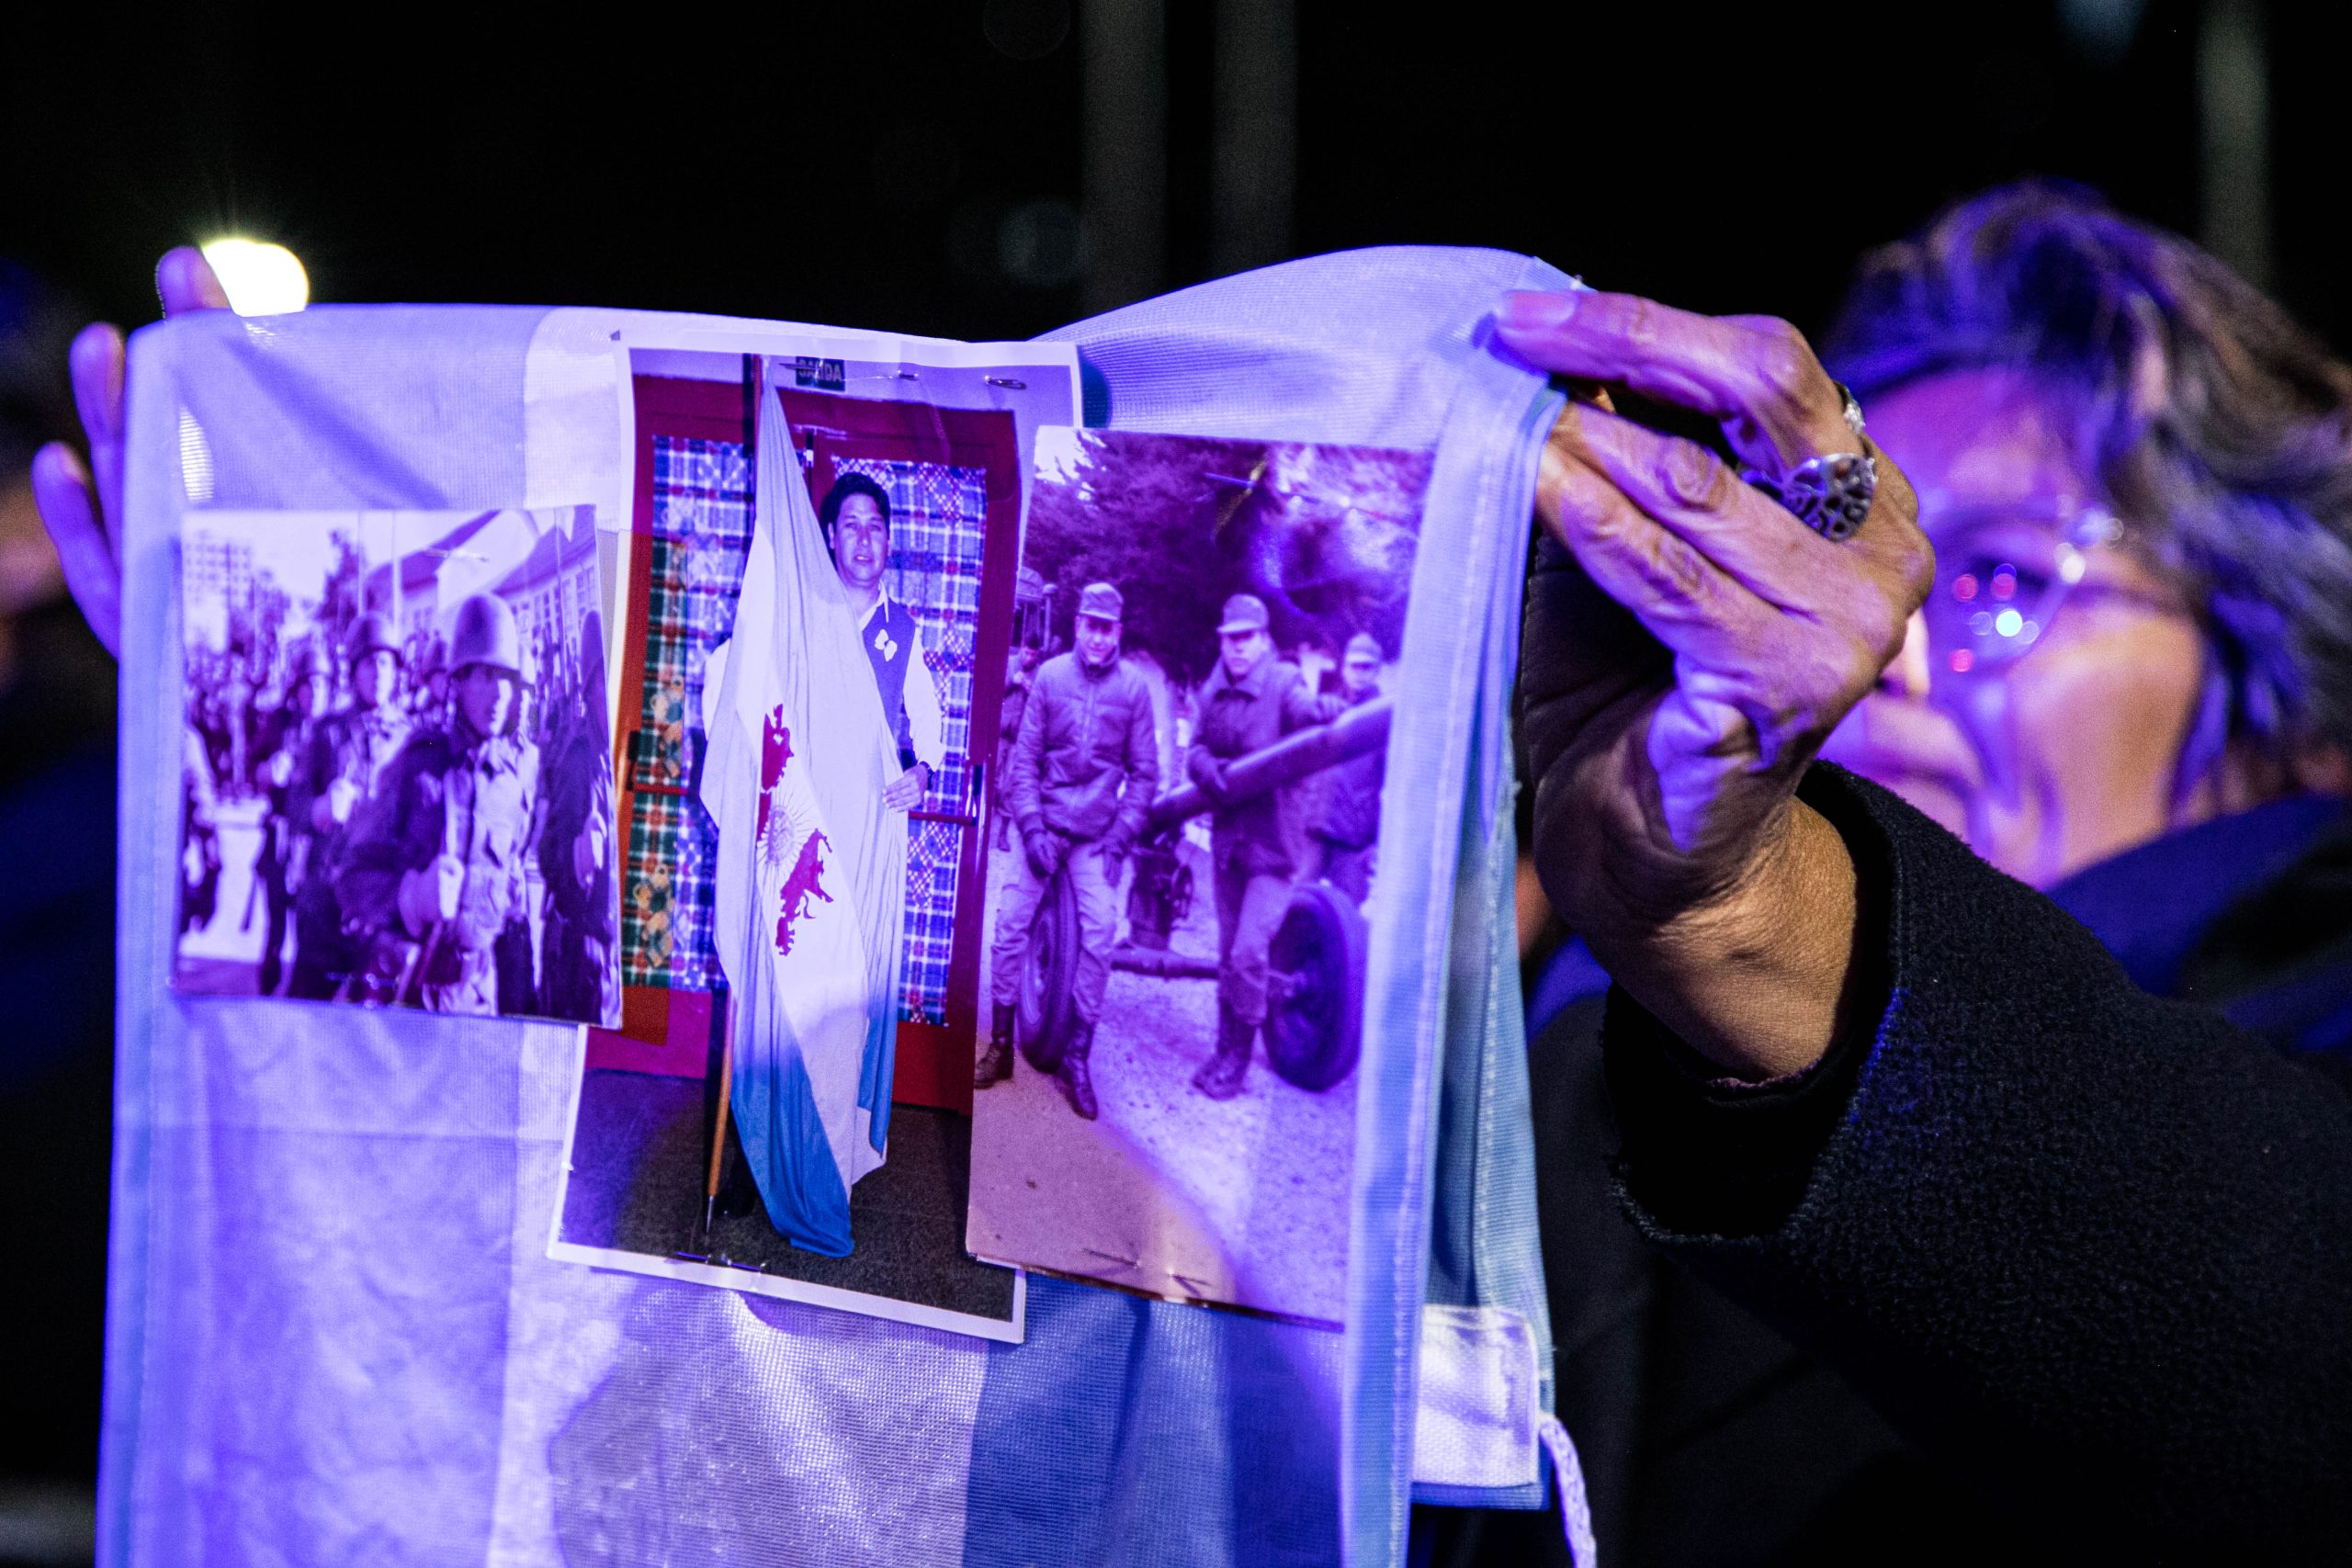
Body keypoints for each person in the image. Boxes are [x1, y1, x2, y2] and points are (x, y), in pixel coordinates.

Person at [981, 581, 1158, 1118]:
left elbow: (1146, 774)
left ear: (1118, 633)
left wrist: (1122, 833)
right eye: (1089, 626)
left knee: (1101, 933)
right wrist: (1032, 828)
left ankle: (1077, 1058)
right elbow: (1026, 758)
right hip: (1046, 823)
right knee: (1010, 923)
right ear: (1077, 625)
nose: (1097, 639)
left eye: (1107, 629)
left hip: (1096, 836)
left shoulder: (1134, 690)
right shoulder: (1051, 678)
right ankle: (1002, 1045)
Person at [334, 593, 537, 1015]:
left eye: (505, 677)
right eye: (483, 675)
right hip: (411, 994)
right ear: (457, 681)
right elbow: (352, 878)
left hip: (479, 999)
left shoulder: (511, 786)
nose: (499, 693)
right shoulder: (417, 768)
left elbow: (510, 911)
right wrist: (410, 897)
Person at [1184, 592, 1340, 1100]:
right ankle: (1221, 1048)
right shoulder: (1213, 690)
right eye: (1230, 639)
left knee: (1251, 950)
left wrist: (1326, 710)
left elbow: (1302, 711)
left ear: (1263, 639)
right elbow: (1197, 749)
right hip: (1231, 842)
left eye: (1247, 638)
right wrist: (1207, 770)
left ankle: (1238, 1059)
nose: (1238, 649)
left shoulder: (1282, 680)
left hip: (1273, 847)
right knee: (1229, 952)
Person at [286, 613, 411, 1000]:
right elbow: (294, 805)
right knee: (307, 1015)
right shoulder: (327, 732)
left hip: (379, 907)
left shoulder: (409, 740)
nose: (379, 672)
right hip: (325, 899)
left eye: (386, 662)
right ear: (354, 670)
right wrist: (319, 807)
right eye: (370, 662)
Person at [818, 471, 942, 813]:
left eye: (874, 527)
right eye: (850, 526)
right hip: (798, 801)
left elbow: (925, 711)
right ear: (831, 536)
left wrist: (924, 770)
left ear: (888, 541)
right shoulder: (802, 610)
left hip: (865, 811)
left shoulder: (902, 631)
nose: (863, 540)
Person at [538, 611, 619, 1025]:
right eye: (608, 684)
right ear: (589, 693)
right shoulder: (578, 763)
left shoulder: (628, 756)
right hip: (587, 961)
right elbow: (548, 859)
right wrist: (577, 857)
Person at [250, 639, 331, 995]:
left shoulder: (335, 730)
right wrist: (268, 771)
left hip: (317, 844)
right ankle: (267, 989)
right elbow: (252, 768)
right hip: (281, 837)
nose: (314, 693)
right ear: (296, 689)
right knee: (276, 924)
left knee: (311, 928)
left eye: (321, 684)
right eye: (307, 684)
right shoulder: (279, 724)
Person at [1306, 630, 1385, 906]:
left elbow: (1391, 785)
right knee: (1292, 906)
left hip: (1353, 840)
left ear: (1377, 671)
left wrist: (1377, 841)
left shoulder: (1382, 720)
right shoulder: (1328, 708)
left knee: (1347, 917)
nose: (1359, 673)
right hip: (1314, 828)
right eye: (1354, 666)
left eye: (1367, 667)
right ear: (1343, 668)